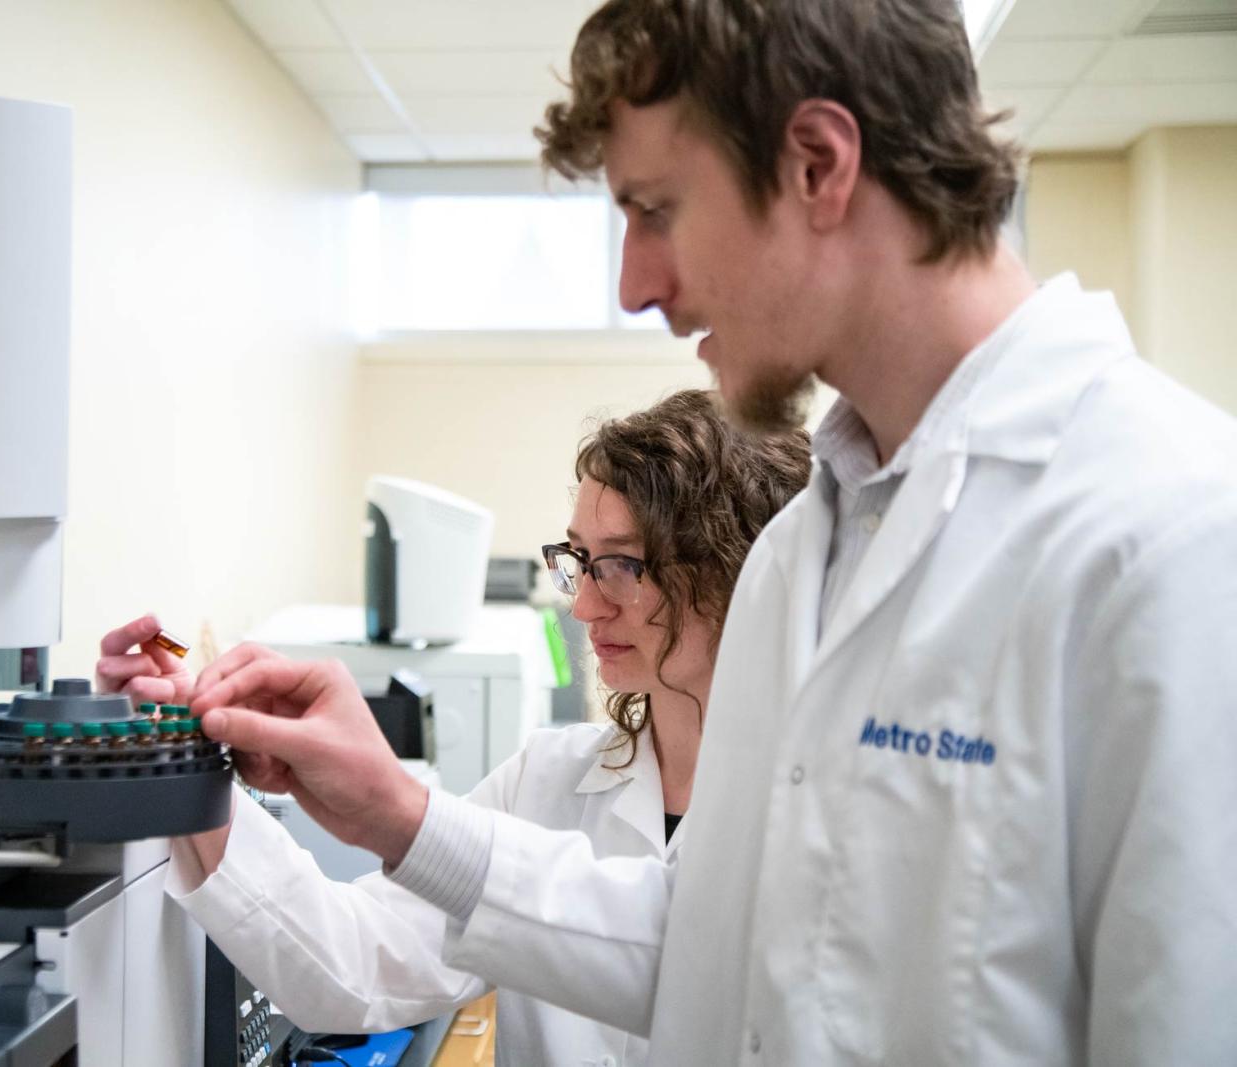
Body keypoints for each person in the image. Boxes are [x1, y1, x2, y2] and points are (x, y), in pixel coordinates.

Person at [179, 0, 1237, 1062]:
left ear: (817, 165)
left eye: (654, 210)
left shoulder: (1169, 532)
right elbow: (716, 953)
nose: (635, 284)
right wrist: (398, 814)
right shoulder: (805, 551)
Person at [96, 390, 810, 1066]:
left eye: (621, 565)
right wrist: (186, 752)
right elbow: (353, 961)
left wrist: (397, 810)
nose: (585, 604)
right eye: (580, 561)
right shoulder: (549, 780)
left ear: (735, 571)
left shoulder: (826, 806)